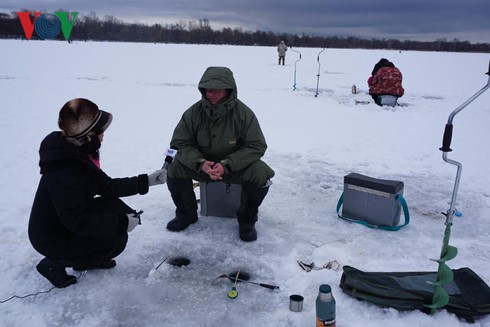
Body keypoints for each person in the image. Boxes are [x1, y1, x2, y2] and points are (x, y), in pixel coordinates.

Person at [28, 98, 167, 288]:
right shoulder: (64, 171)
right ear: (87, 135)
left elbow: (107, 186)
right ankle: (54, 263)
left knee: (115, 207)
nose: (103, 136)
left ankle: (85, 259)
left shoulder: (75, 153)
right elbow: (76, 221)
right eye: (100, 132)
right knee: (115, 239)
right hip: (51, 236)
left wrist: (147, 181)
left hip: (65, 221)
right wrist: (122, 223)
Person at [165, 66, 275, 242]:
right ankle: (186, 213)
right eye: (208, 89)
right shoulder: (193, 113)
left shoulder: (244, 114)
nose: (211, 94)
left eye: (217, 90)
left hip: (233, 167)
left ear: (229, 90)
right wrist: (200, 163)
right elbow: (179, 144)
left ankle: (247, 220)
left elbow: (256, 146)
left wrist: (227, 164)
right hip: (202, 167)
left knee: (260, 172)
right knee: (174, 167)